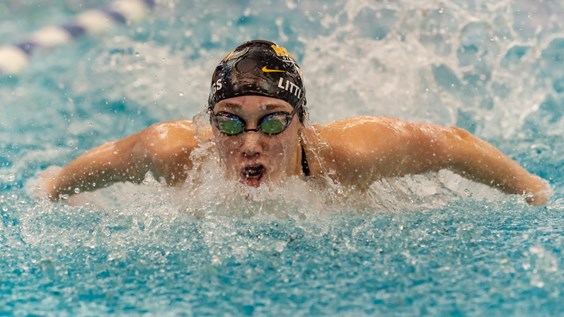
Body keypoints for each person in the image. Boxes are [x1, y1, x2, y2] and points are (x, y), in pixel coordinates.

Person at [42, 40, 552, 205]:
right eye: (230, 123)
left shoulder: (351, 155)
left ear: (302, 124)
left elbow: (452, 145)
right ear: (210, 123)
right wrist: (49, 191)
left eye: (272, 122)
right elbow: (84, 172)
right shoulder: (171, 151)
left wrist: (533, 191)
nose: (249, 143)